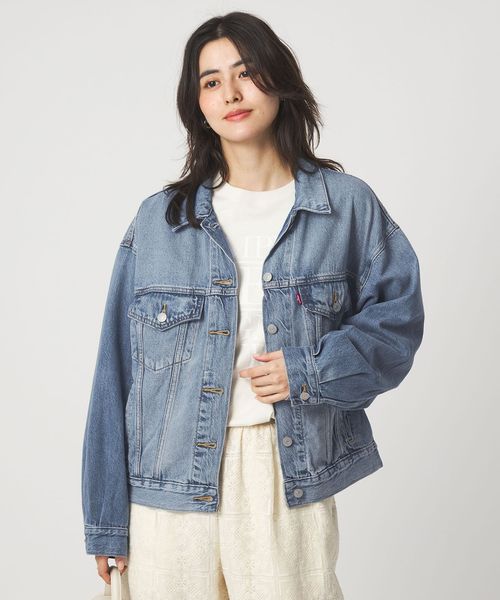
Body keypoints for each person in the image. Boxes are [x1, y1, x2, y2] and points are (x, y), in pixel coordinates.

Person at [81, 10, 425, 600]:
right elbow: (115, 372)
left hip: (280, 475)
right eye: (211, 81)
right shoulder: (160, 221)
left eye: (245, 73)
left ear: (278, 79)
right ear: (197, 104)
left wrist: (310, 370)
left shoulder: (345, 206)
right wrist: (106, 518)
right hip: (165, 489)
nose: (231, 94)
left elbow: (397, 324)